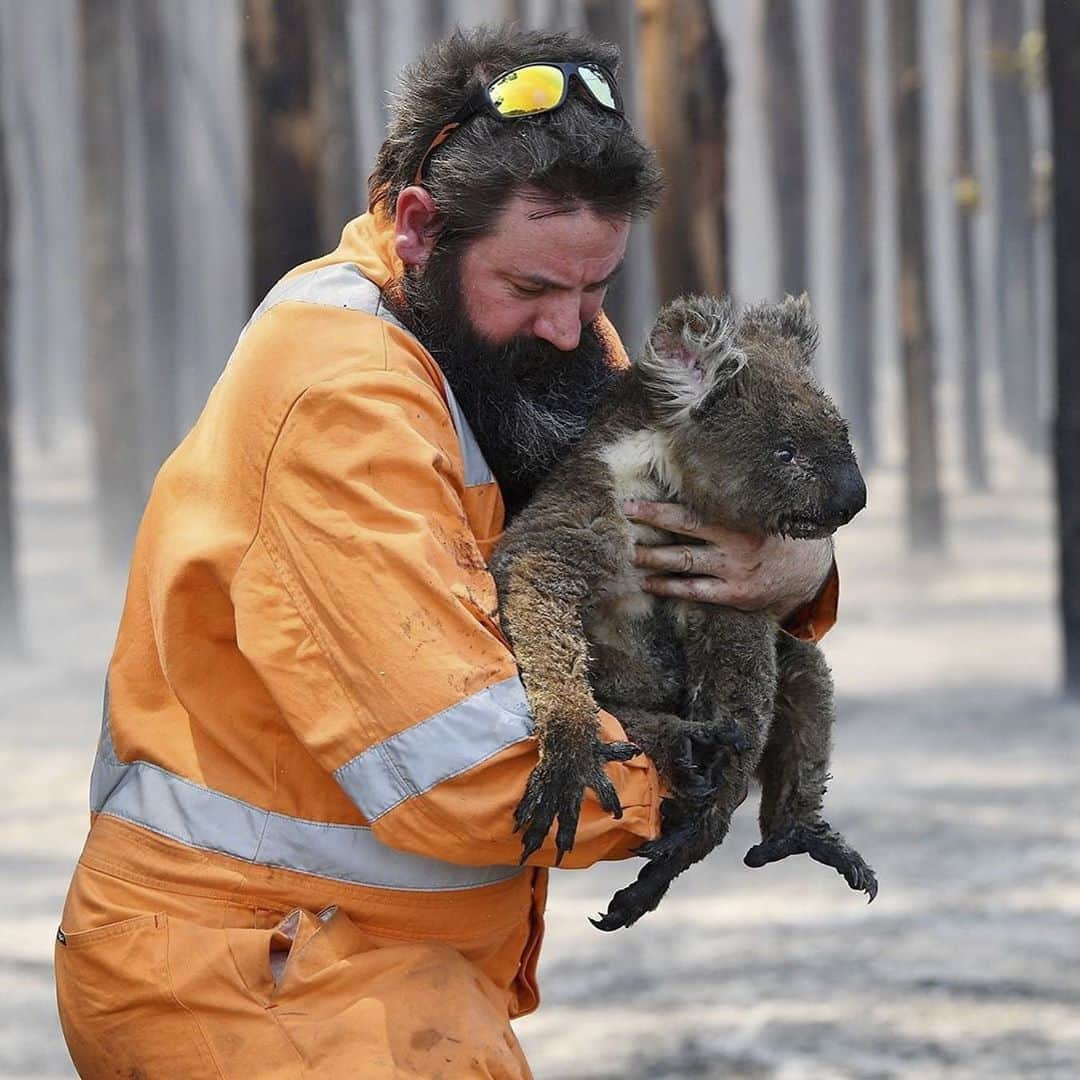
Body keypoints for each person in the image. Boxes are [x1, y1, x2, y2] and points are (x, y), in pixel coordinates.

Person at [54, 25, 838, 1080]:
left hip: (378, 965)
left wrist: (801, 574)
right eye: (533, 291)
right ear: (420, 227)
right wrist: (702, 770)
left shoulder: (523, 344)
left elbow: (675, 534)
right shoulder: (343, 399)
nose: (576, 330)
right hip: (251, 977)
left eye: (597, 289)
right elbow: (466, 770)